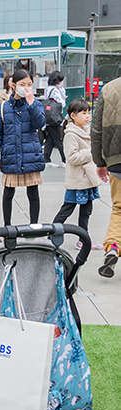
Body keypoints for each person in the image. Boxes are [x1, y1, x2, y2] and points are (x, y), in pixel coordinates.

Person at [0, 69, 46, 226]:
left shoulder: (35, 105)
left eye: (29, 84)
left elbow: (40, 124)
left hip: (30, 155)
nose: (26, 88)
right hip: (10, 155)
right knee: (8, 193)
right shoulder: (3, 107)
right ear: (13, 85)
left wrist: (31, 103)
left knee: (33, 193)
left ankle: (34, 226)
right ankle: (7, 227)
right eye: (22, 84)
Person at [52, 99, 103, 250]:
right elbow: (71, 157)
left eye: (88, 113)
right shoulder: (71, 134)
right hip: (78, 180)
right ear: (73, 116)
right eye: (84, 113)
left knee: (86, 211)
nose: (88, 116)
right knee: (67, 209)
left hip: (87, 179)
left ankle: (83, 240)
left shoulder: (85, 130)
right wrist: (91, 152)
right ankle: (50, 235)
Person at [92, 76, 121, 278]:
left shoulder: (109, 88)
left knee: (119, 208)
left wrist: (100, 162)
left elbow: (96, 130)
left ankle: (113, 246)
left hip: (116, 160)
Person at [44, 70, 67, 168]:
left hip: (49, 118)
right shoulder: (55, 90)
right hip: (55, 118)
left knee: (50, 139)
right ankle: (65, 160)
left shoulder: (47, 89)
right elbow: (62, 104)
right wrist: (64, 98)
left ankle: (46, 159)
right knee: (60, 139)